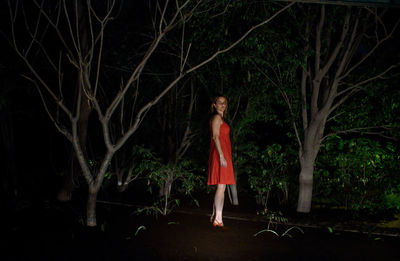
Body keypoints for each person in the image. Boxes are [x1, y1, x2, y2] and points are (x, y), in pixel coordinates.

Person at [208, 95, 235, 227]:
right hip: (220, 154)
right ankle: (218, 218)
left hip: (223, 154)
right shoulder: (217, 118)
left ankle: (214, 215)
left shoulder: (221, 118)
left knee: (221, 186)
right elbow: (215, 136)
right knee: (221, 186)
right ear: (214, 104)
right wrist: (221, 156)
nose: (222, 104)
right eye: (219, 102)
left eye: (224, 102)